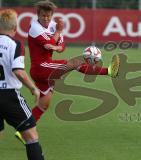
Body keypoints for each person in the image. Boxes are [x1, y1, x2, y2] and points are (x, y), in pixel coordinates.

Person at [15, 0, 120, 143]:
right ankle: (109, 71)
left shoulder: (53, 25)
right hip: (41, 67)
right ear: (37, 15)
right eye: (43, 16)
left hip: (46, 67)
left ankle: (23, 132)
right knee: (75, 63)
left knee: (43, 105)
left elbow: (61, 46)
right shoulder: (35, 28)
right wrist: (58, 34)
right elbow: (51, 45)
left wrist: (57, 43)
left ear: (52, 15)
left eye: (48, 16)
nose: (46, 19)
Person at [0, 9, 45, 160]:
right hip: (9, 97)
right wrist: (33, 88)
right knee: (31, 137)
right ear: (15, 28)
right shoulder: (15, 44)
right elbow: (19, 71)